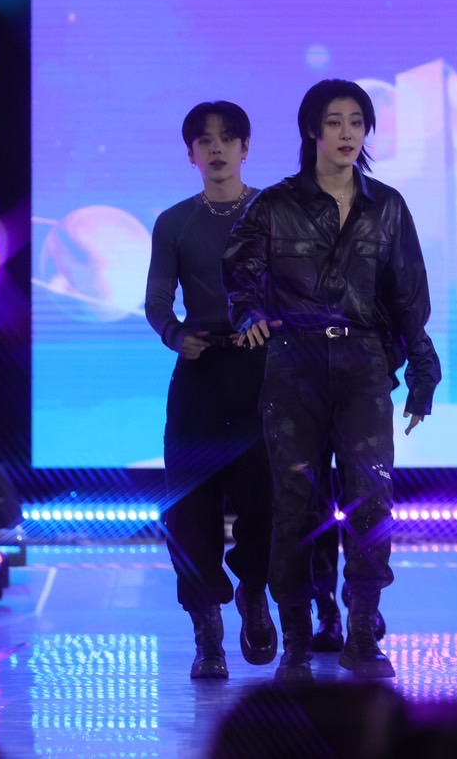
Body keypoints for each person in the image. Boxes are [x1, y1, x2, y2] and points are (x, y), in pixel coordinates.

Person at [225, 79, 439, 684]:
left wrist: (422, 367)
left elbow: (408, 294)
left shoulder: (387, 205)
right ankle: (296, 640)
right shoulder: (274, 204)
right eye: (335, 122)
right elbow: (240, 273)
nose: (347, 134)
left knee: (372, 499)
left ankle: (362, 630)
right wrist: (248, 314)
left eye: (357, 122)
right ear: (311, 130)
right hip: (293, 363)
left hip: (363, 363)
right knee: (294, 504)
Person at [145, 101, 277, 680]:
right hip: (199, 377)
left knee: (268, 501)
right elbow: (156, 300)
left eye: (228, 138)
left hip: (262, 374)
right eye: (205, 140)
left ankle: (254, 592)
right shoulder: (174, 221)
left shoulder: (275, 212)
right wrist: (177, 335)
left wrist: (270, 320)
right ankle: (206, 631)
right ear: (191, 154)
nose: (217, 148)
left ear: (246, 148)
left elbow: (300, 287)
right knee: (188, 510)